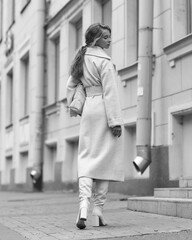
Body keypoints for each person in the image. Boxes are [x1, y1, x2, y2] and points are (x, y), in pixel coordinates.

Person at [66, 23, 124, 229]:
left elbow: (70, 86)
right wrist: (115, 121)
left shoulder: (81, 58)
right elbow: (111, 92)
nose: (109, 40)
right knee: (104, 159)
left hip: (89, 110)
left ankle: (83, 206)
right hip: (104, 109)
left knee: (86, 158)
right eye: (106, 37)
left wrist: (76, 105)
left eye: (110, 36)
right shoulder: (105, 60)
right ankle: (98, 209)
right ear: (95, 39)